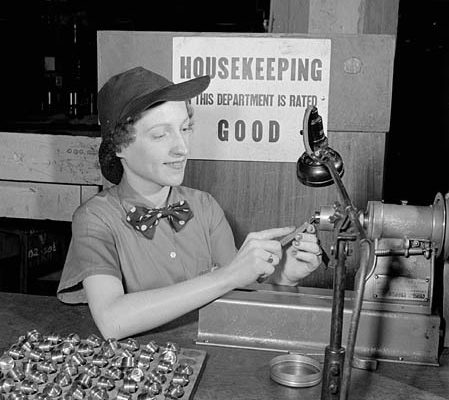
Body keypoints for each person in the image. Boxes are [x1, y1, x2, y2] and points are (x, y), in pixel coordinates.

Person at [57, 66, 323, 340]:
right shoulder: (95, 219)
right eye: (161, 135)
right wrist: (227, 276)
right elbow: (112, 320)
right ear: (119, 146)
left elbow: (239, 293)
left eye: (185, 128)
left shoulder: (204, 206)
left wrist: (283, 276)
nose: (182, 147)